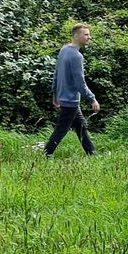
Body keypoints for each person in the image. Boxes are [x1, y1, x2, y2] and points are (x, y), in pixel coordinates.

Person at [43, 23, 99, 156]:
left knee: (81, 126)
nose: (89, 37)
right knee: (61, 129)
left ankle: (92, 153)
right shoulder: (76, 56)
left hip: (65, 97)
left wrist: (55, 93)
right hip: (70, 100)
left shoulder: (64, 49)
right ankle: (46, 154)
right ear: (76, 36)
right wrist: (92, 99)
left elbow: (56, 73)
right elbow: (80, 83)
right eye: (86, 34)